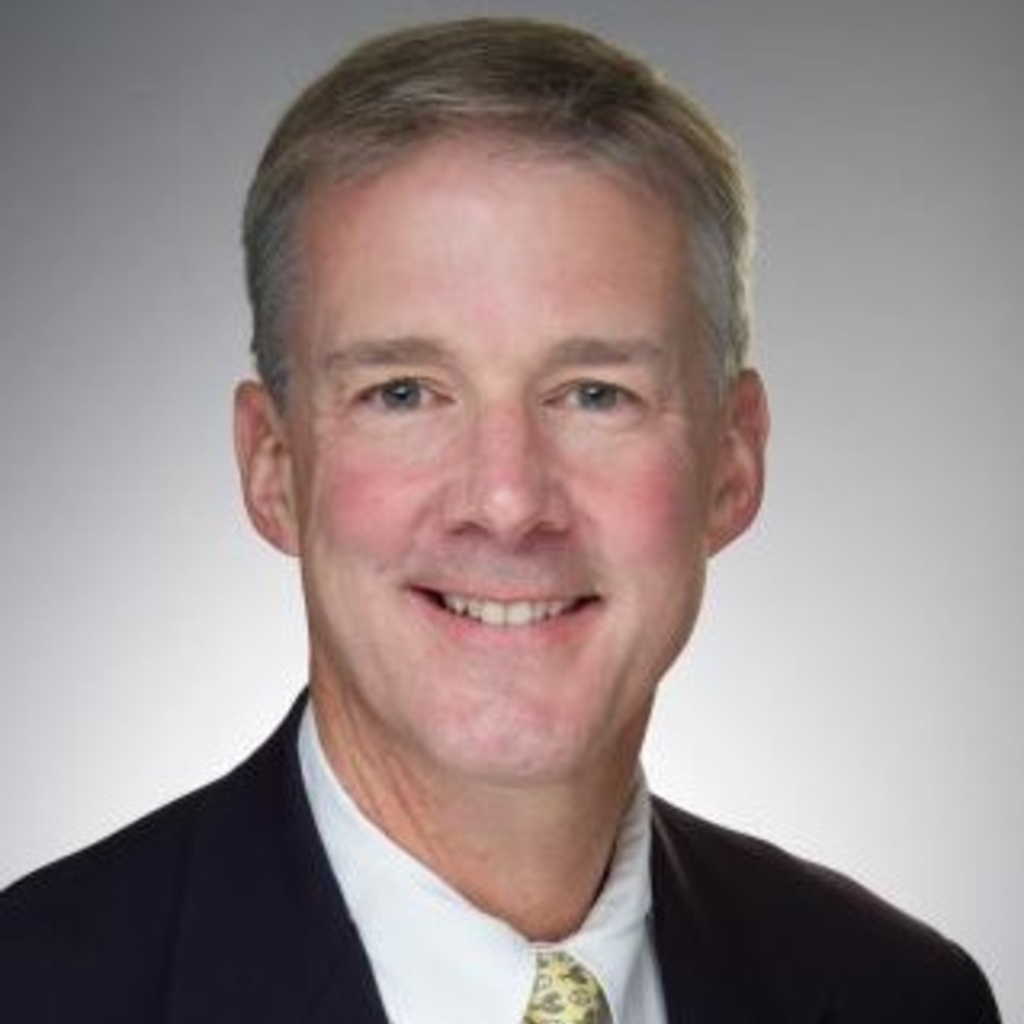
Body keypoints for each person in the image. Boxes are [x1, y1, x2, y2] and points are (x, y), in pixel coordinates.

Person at [0, 17, 1001, 1023]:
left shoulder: (902, 995)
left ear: (732, 463)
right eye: (402, 391)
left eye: (594, 393)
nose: (508, 501)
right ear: (273, 469)